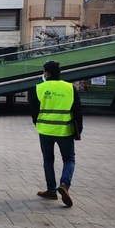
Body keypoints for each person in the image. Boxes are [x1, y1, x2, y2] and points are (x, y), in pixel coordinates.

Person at [30, 60, 83, 207]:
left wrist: (38, 123)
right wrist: (78, 130)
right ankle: (64, 185)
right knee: (69, 160)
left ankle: (51, 191)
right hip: (65, 131)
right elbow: (78, 111)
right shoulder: (70, 88)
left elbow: (34, 111)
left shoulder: (39, 88)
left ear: (46, 73)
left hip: (45, 130)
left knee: (48, 160)